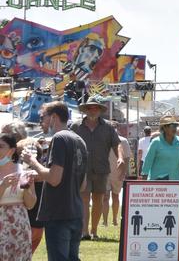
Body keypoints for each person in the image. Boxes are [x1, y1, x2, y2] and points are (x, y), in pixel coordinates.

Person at [24, 101, 88, 261]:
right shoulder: (80, 140)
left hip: (58, 214)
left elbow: (54, 179)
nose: (40, 122)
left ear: (53, 117)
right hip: (76, 212)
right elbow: (82, 184)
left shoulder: (59, 138)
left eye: (42, 117)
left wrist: (32, 161)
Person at [70, 95, 121, 240]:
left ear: (100, 110)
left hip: (101, 169)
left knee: (99, 199)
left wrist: (121, 158)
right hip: (82, 169)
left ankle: (94, 230)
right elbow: (68, 144)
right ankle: (84, 231)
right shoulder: (75, 126)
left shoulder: (108, 127)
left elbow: (116, 144)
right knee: (84, 198)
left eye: (96, 108)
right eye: (90, 108)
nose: (93, 110)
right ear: (86, 110)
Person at [0, 131, 37, 261]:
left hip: (19, 224)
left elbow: (31, 204)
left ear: (12, 150)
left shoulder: (23, 170)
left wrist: (26, 187)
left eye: (1, 146)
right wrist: (3, 186)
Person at [142, 118, 179, 188]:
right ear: (164, 128)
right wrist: (143, 182)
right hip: (157, 182)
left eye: (175, 126)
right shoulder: (156, 142)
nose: (175, 128)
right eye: (172, 126)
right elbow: (148, 161)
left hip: (175, 181)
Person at [109, 130, 131, 226]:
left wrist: (123, 172)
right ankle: (105, 221)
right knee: (105, 197)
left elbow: (127, 158)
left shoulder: (123, 141)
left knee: (115, 196)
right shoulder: (104, 139)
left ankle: (114, 219)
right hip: (104, 172)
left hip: (117, 173)